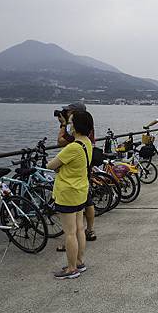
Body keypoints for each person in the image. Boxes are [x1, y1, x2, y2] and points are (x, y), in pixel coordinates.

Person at [48, 110, 94, 279]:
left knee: (69, 233)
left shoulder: (73, 147)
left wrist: (60, 167)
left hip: (68, 192)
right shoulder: (86, 142)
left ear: (77, 125)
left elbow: (50, 165)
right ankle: (80, 262)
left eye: (72, 121)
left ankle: (71, 268)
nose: (70, 124)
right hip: (81, 190)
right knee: (79, 229)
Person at [56, 102, 97, 248]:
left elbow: (60, 141)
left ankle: (71, 245)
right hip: (85, 169)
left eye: (69, 112)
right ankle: (90, 230)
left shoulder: (78, 134)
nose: (67, 114)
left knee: (73, 222)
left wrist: (62, 125)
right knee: (88, 201)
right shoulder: (88, 127)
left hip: (74, 177)